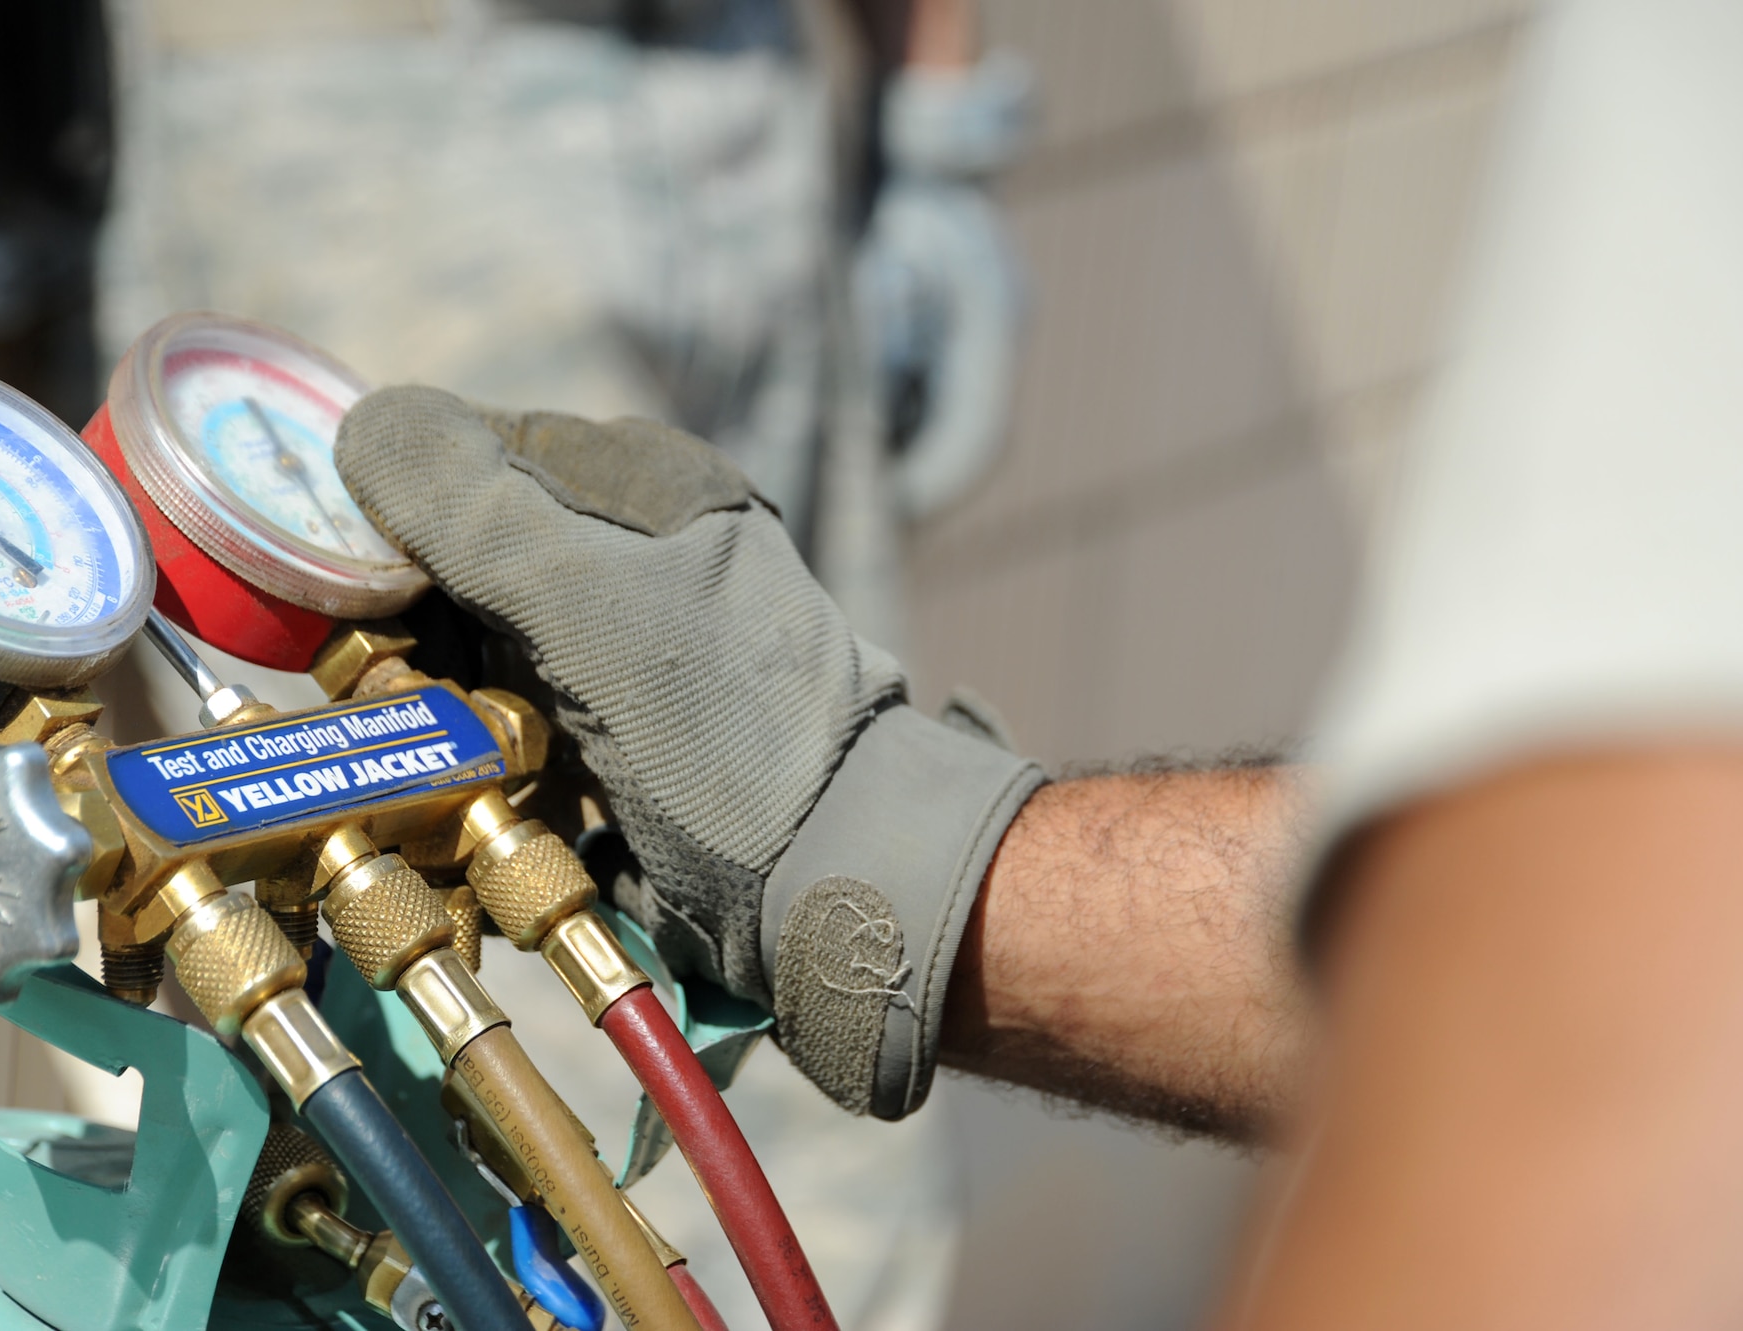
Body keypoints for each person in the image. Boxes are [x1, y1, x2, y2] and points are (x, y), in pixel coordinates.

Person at [329, 0, 1743, 1324]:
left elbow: (1615, 1074)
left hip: (738, 94)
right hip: (334, 111)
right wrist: (858, 833)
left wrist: (938, 113)